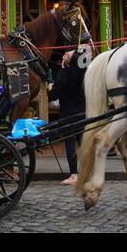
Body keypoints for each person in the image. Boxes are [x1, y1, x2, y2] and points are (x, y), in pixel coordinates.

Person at [51, 44, 89, 186]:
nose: (64, 55)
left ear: (72, 60)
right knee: (83, 142)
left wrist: (51, 88)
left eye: (67, 55)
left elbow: (54, 95)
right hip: (83, 112)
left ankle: (74, 175)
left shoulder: (64, 73)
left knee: (70, 143)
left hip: (68, 114)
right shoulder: (85, 73)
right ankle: (86, 172)